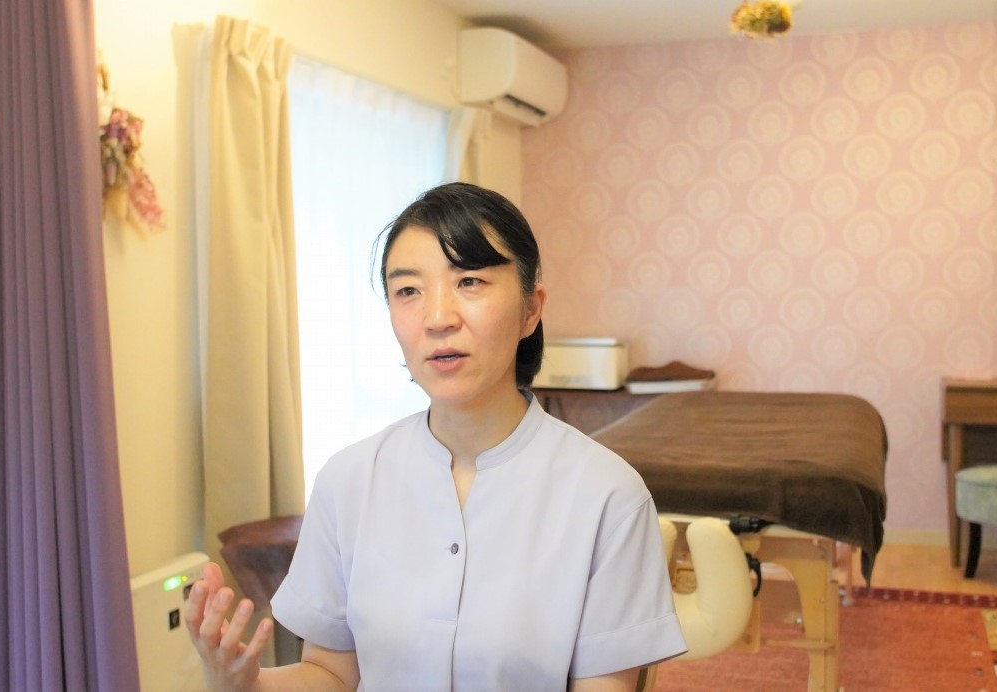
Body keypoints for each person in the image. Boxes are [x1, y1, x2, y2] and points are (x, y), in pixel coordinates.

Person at [184, 182, 687, 690]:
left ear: (530, 310)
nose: (439, 319)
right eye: (408, 291)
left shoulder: (607, 496)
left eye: (469, 281)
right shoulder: (349, 480)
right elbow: (330, 674)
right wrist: (244, 684)